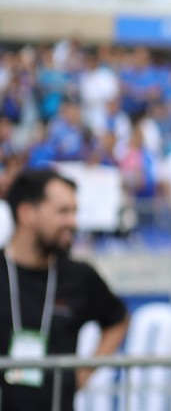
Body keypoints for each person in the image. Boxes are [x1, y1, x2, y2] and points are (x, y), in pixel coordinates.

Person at [0, 169, 129, 410]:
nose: (73, 222)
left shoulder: (79, 276)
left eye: (74, 211)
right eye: (63, 211)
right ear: (27, 214)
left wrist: (83, 372)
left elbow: (117, 319)